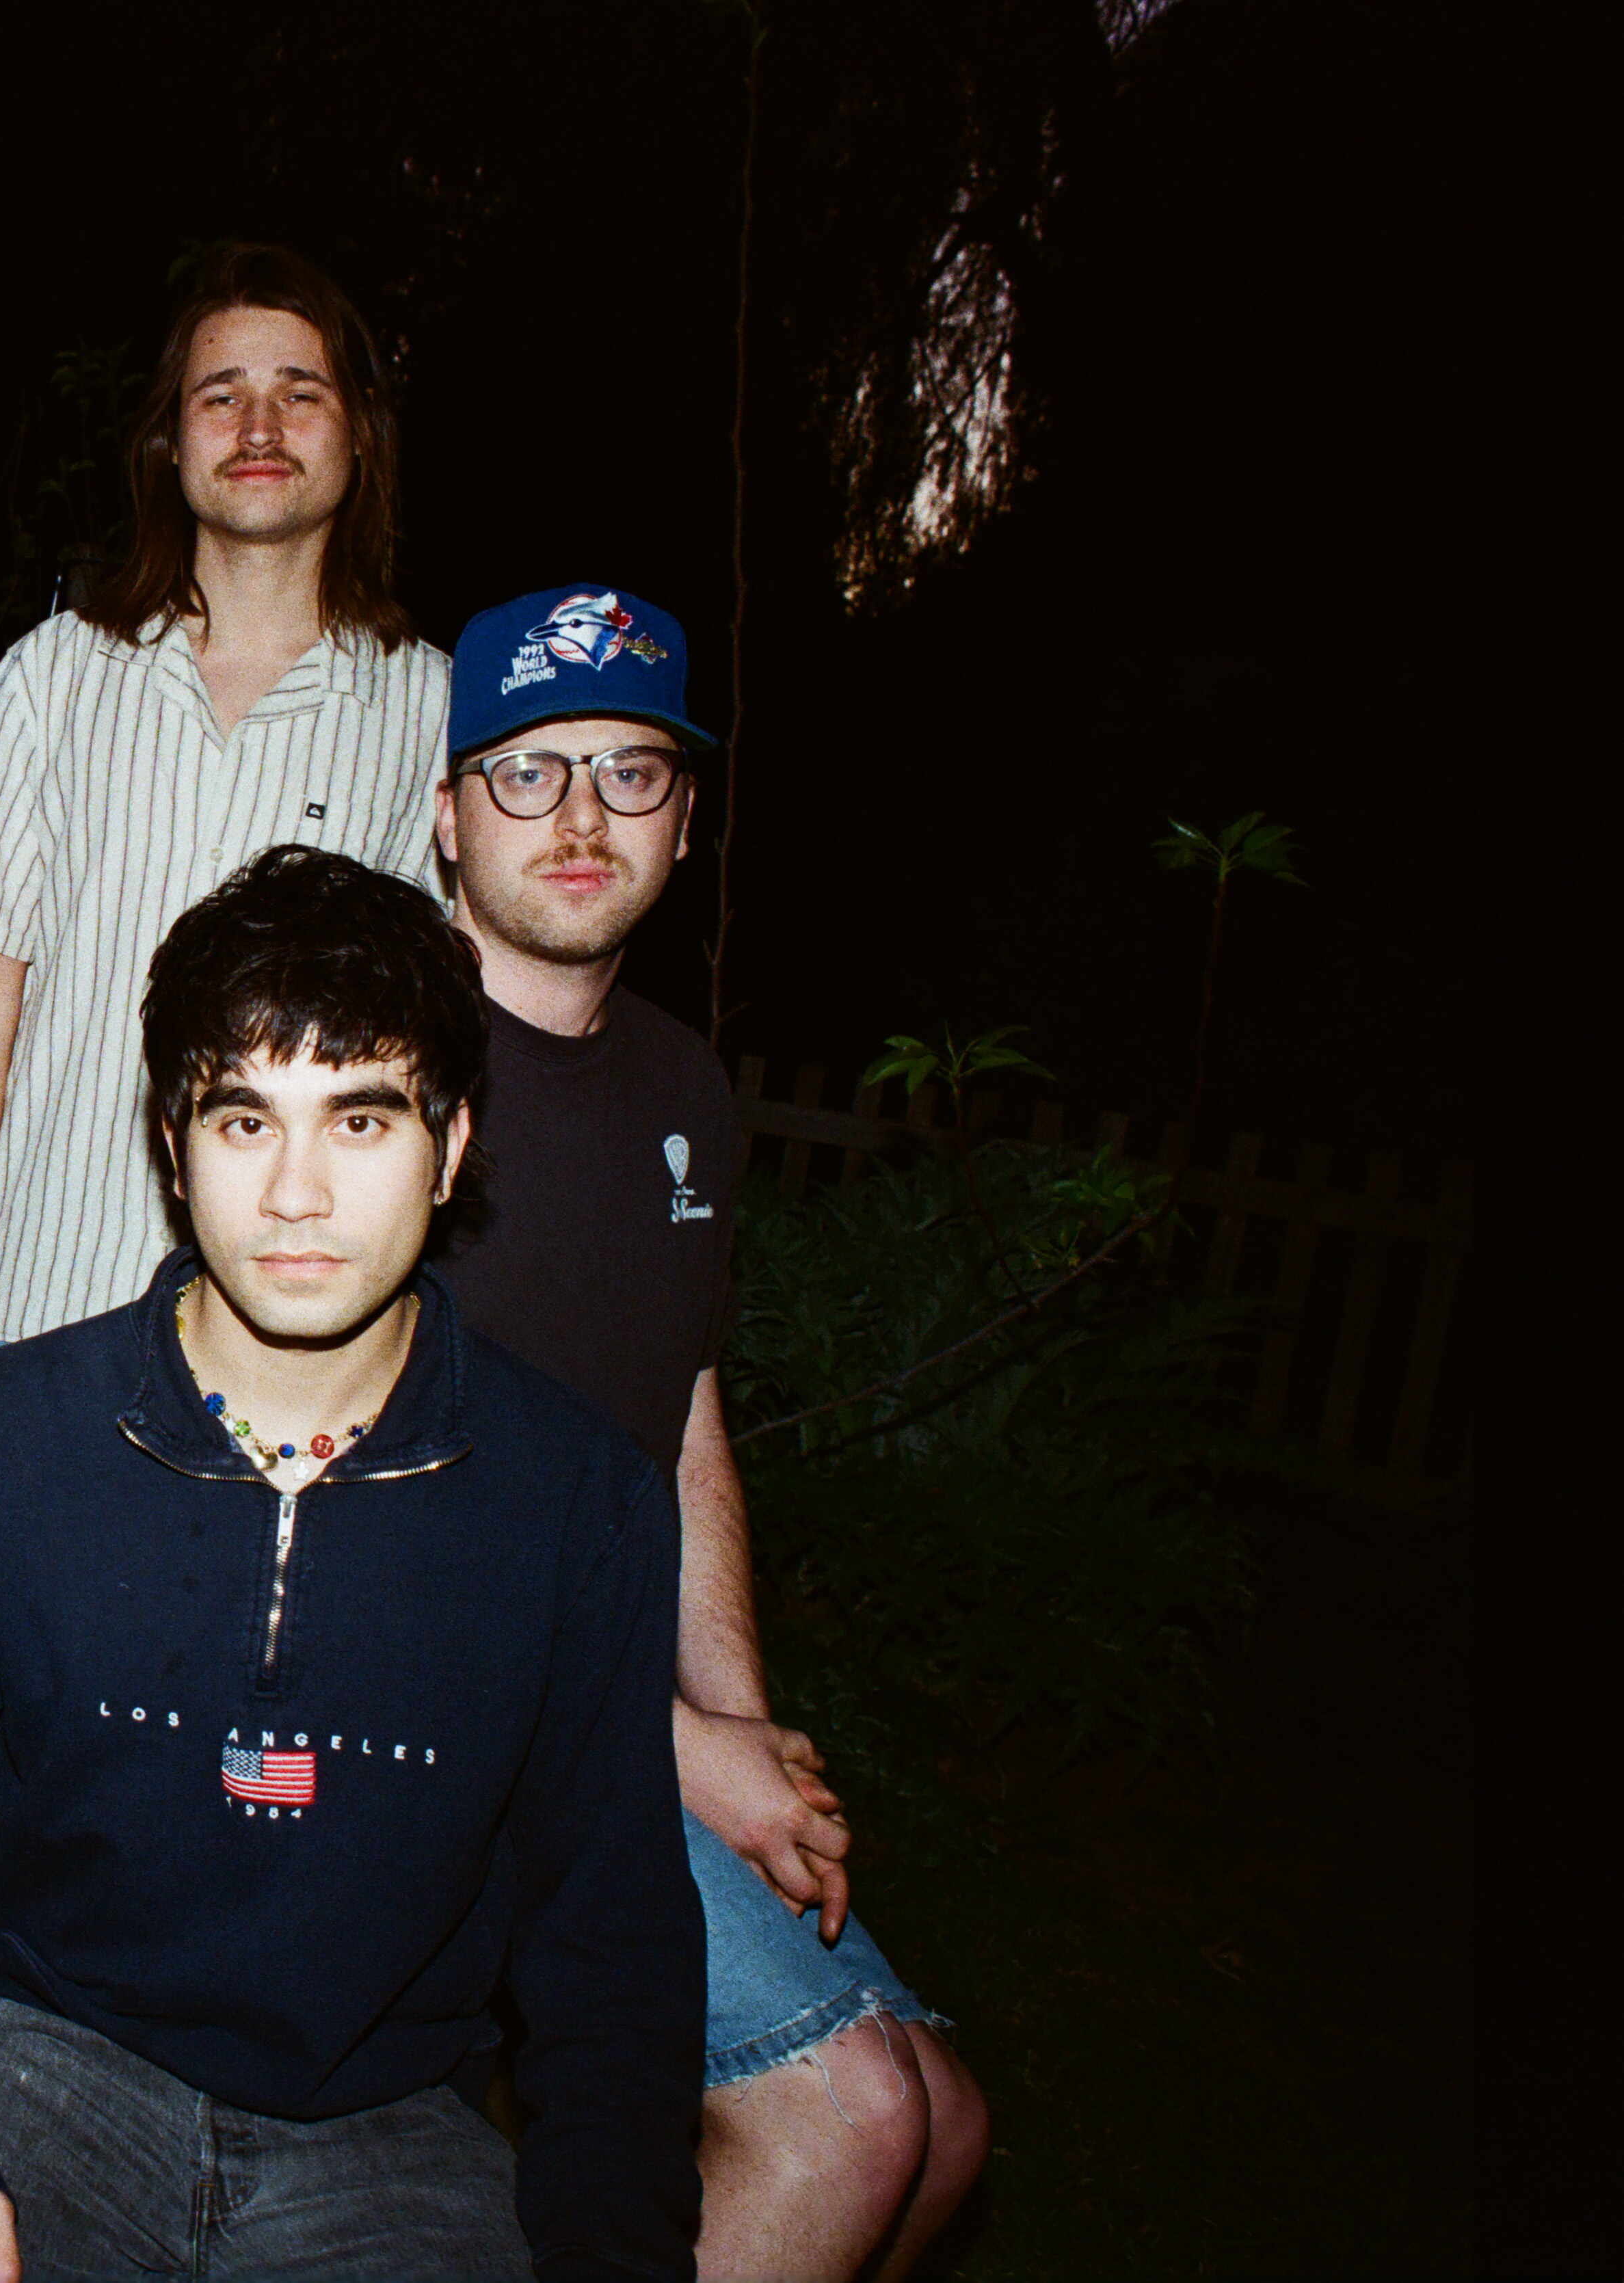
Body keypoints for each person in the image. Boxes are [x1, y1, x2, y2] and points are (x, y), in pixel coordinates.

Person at [0, 845, 702, 2283]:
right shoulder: (1, 1450)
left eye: (361, 1118)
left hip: (393, 2137)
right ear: (174, 1145)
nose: (295, 1193)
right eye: (243, 1118)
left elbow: (613, 1944)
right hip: (41, 2075)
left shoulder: (574, 1501)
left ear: (451, 1144)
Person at [429, 584, 989, 2280]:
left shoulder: (682, 1085)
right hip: (431, 1724)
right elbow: (361, 1494)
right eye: (528, 770)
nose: (579, 817)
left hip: (614, 1722)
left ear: (686, 821)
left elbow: (679, 1412)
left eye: (631, 771)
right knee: (851, 2117)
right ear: (448, 814)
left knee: (940, 2117)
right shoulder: (378, 1075)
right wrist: (681, 1749)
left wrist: (743, 1732)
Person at [0, 244, 451, 1375]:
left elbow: (436, 1049)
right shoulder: (57, 674)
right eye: (222, 396)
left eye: (300, 394)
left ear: (359, 435)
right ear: (171, 441)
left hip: (297, 1333)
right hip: (38, 1296)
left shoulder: (429, 711)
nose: (260, 427)